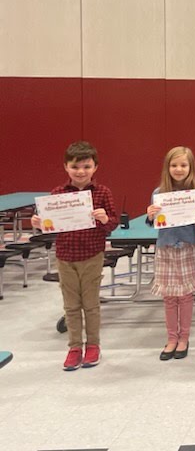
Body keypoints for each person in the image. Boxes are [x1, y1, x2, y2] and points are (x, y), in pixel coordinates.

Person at [31, 141, 118, 370]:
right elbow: (49, 227)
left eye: (86, 167)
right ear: (66, 167)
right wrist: (39, 224)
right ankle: (74, 347)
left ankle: (93, 345)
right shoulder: (57, 194)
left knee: (91, 304)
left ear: (95, 167)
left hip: (92, 255)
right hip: (65, 256)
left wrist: (105, 219)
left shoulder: (103, 192)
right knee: (70, 305)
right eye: (75, 167)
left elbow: (113, 224)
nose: (81, 172)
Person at [146, 146, 195, 360]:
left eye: (183, 165)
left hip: (188, 246)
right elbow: (154, 222)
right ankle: (171, 338)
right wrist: (150, 215)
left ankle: (184, 338)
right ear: (167, 167)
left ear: (191, 168)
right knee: (169, 297)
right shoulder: (158, 193)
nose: (178, 169)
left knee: (185, 295)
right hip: (166, 248)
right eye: (174, 165)